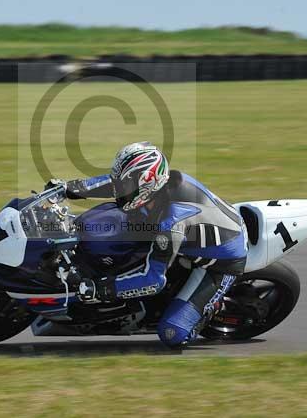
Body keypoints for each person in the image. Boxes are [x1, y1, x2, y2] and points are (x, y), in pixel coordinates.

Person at [46, 141, 247, 348]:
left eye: (125, 187)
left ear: (147, 185)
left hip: (220, 264)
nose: (118, 190)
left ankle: (212, 307)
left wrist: (100, 289)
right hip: (198, 231)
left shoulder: (171, 224)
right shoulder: (157, 186)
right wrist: (67, 188)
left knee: (172, 333)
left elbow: (152, 280)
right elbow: (112, 183)